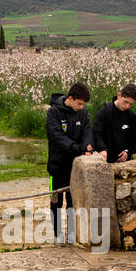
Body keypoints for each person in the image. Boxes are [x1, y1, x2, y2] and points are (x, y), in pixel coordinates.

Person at [45, 81, 93, 240]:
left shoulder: (83, 112)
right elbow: (58, 137)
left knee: (73, 202)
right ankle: (58, 235)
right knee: (56, 202)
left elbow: (87, 131)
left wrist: (86, 146)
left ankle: (72, 234)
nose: (81, 107)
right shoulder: (53, 112)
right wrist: (76, 148)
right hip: (56, 167)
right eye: (79, 104)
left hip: (75, 167)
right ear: (70, 98)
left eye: (83, 105)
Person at [93, 84, 136, 164]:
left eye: (131, 104)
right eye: (126, 102)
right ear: (119, 95)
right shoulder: (105, 111)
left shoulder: (131, 115)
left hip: (124, 162)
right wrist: (102, 149)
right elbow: (96, 133)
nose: (127, 106)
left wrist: (128, 152)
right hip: (105, 159)